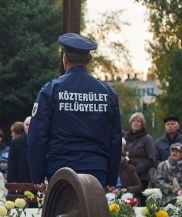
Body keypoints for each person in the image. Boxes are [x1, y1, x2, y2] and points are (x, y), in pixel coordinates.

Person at [28, 33, 122, 191]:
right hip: (96, 170)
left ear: (64, 58)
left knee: (62, 214)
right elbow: (115, 139)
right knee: (92, 215)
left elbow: (37, 136)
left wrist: (37, 176)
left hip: (60, 169)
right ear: (89, 59)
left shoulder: (50, 90)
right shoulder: (108, 93)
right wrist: (112, 179)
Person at [123, 112, 156, 196]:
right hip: (126, 178)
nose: (136, 123)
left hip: (142, 178)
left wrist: (134, 171)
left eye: (138, 121)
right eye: (133, 121)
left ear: (142, 124)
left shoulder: (147, 139)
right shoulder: (125, 139)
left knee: (139, 204)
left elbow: (151, 160)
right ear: (130, 123)